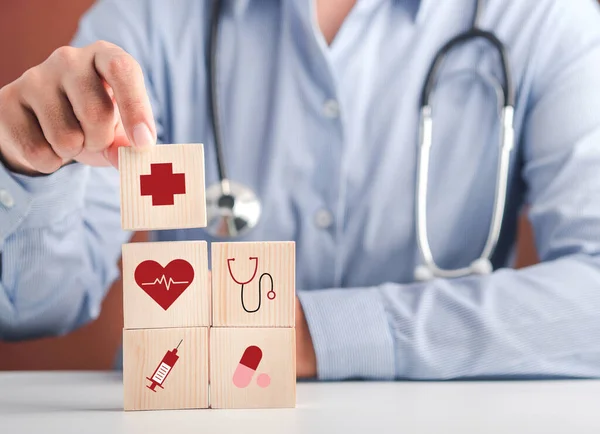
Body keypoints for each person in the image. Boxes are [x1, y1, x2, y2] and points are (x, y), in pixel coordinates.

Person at [1, 0, 600, 381]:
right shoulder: (146, 22)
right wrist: (31, 169)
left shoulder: (548, 19)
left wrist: (310, 332)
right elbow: (37, 305)